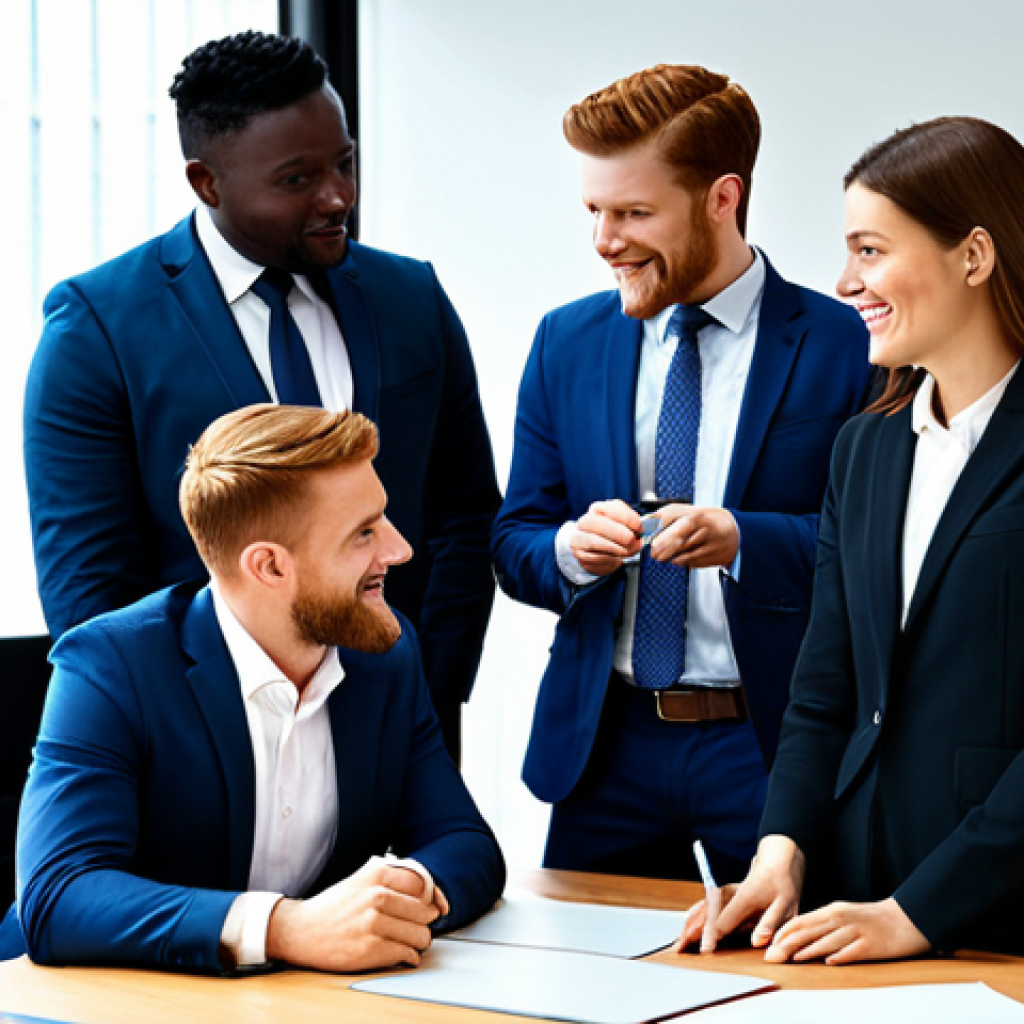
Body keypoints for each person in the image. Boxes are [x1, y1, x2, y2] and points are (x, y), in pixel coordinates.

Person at [23, 30, 499, 760]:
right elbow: (89, 585)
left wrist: (429, 684)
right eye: (296, 178)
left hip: (401, 734)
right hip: (204, 748)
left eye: (345, 163)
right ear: (206, 183)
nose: (337, 195)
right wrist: (182, 735)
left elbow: (464, 512)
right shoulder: (97, 327)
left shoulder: (413, 299)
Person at [492, 64, 873, 883]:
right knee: (585, 994)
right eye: (594, 210)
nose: (604, 240)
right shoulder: (566, 342)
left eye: (633, 212)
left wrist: (745, 539)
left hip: (770, 747)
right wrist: (567, 549)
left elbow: (879, 555)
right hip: (604, 748)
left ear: (722, 198)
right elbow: (513, 536)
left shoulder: (849, 346)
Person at [683, 115, 1024, 962]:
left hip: (997, 921)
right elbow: (825, 683)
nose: (845, 282)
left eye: (870, 251)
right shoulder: (865, 449)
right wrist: (780, 851)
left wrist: (915, 913)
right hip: (853, 904)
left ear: (974, 257)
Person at [3, 404, 504, 972]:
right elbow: (58, 897)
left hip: (291, 1002)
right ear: (268, 566)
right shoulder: (110, 665)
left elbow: (465, 843)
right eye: (363, 532)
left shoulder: (384, 654)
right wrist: (285, 927)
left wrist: (397, 892)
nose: (399, 549)